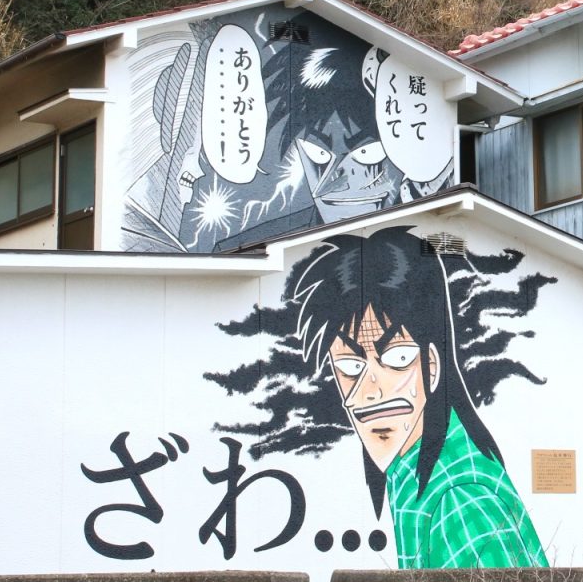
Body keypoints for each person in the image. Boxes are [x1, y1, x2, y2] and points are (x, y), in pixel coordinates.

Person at [210, 225, 553, 568]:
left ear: (432, 365)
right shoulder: (411, 466)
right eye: (349, 365)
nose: (371, 390)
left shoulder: (459, 500)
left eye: (398, 358)